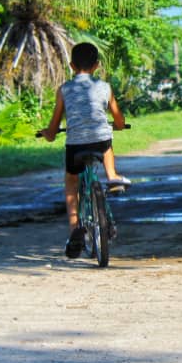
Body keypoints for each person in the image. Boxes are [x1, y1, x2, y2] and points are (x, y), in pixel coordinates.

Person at [40, 41, 129, 258]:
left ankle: (74, 231)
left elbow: (53, 128)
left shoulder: (64, 90)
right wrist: (118, 125)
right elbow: (117, 119)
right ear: (97, 65)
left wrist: (48, 134)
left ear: (71, 65)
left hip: (75, 145)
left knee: (71, 182)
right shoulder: (105, 88)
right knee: (106, 143)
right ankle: (112, 176)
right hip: (99, 141)